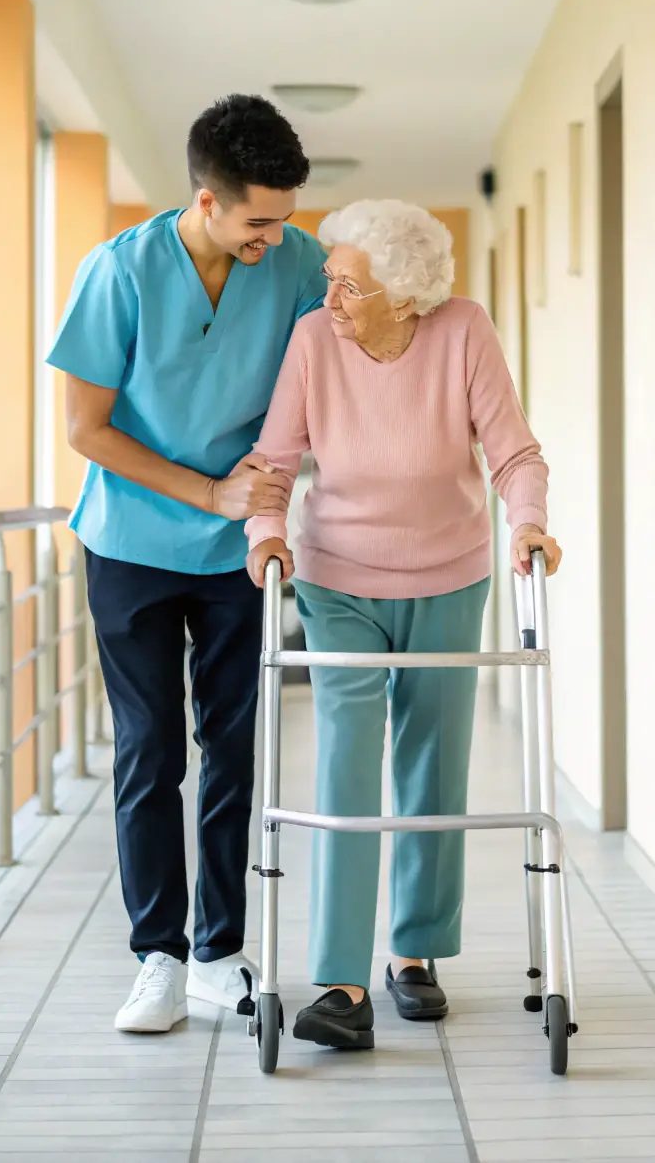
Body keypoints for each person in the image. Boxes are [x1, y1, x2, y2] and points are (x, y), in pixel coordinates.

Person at [245, 199, 562, 1050]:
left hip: (450, 575)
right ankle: (342, 981)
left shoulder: (462, 331)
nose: (332, 297)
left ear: (405, 294)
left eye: (350, 284)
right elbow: (274, 461)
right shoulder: (315, 342)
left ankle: (414, 954)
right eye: (331, 280)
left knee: (432, 757)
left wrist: (527, 519)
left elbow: (513, 452)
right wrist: (264, 530)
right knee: (349, 755)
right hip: (338, 576)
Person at [47, 95, 326, 1033]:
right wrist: (203, 492)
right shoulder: (118, 272)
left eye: (285, 219)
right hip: (129, 541)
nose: (276, 238)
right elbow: (86, 429)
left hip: (237, 549)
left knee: (234, 749)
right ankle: (157, 956)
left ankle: (218, 952)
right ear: (206, 201)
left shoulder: (295, 260)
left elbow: (335, 368)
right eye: (259, 220)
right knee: (150, 748)